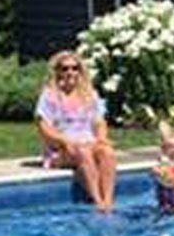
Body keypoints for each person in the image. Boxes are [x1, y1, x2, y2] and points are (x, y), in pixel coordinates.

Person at [35, 50, 119, 212]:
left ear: (80, 71)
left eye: (75, 68)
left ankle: (108, 200)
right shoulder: (50, 95)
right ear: (57, 71)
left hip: (87, 142)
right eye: (65, 68)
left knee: (107, 152)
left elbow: (99, 121)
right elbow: (43, 127)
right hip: (61, 149)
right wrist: (65, 141)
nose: (70, 72)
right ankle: (98, 201)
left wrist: (101, 138)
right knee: (83, 152)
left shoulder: (90, 95)